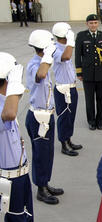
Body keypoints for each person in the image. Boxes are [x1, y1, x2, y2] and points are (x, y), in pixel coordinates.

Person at [0, 52, 47, 222]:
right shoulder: (4, 105)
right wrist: (15, 83)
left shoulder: (4, 99)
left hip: (19, 171)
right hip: (9, 176)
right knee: (18, 220)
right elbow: (9, 113)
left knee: (25, 217)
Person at [25, 30, 64, 205]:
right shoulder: (35, 65)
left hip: (47, 115)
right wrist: (48, 54)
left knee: (48, 153)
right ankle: (41, 189)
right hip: (37, 117)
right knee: (41, 154)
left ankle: (45, 183)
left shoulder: (43, 62)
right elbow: (40, 76)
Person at [75, 14, 102, 130]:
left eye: (95, 23)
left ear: (98, 23)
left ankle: (100, 121)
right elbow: (77, 55)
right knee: (89, 100)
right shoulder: (81, 36)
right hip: (87, 73)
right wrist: (79, 72)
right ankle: (91, 121)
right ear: (87, 24)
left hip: (101, 72)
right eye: (91, 23)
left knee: (101, 99)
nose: (93, 25)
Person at [52, 22, 83, 156]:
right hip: (62, 90)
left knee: (71, 116)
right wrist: (70, 41)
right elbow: (66, 57)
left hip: (71, 87)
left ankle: (69, 139)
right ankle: (63, 144)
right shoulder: (55, 49)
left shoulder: (65, 47)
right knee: (64, 117)